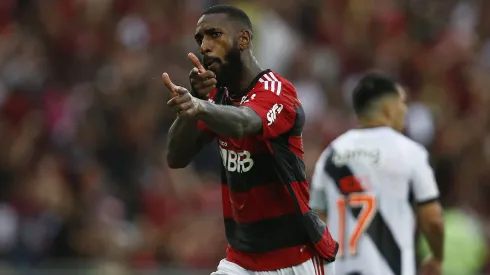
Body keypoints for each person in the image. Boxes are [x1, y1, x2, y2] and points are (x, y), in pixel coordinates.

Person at [163, 4, 338, 275]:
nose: (205, 46)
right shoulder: (216, 97)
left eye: (214, 35)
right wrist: (192, 107)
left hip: (294, 258)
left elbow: (244, 123)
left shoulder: (275, 89)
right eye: (200, 39)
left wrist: (200, 107)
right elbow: (176, 157)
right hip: (241, 260)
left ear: (243, 39)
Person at [309, 72, 445, 275]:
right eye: (401, 103)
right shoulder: (409, 152)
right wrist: (436, 256)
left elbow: (315, 225)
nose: (404, 110)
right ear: (388, 108)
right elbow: (432, 220)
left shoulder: (331, 155)